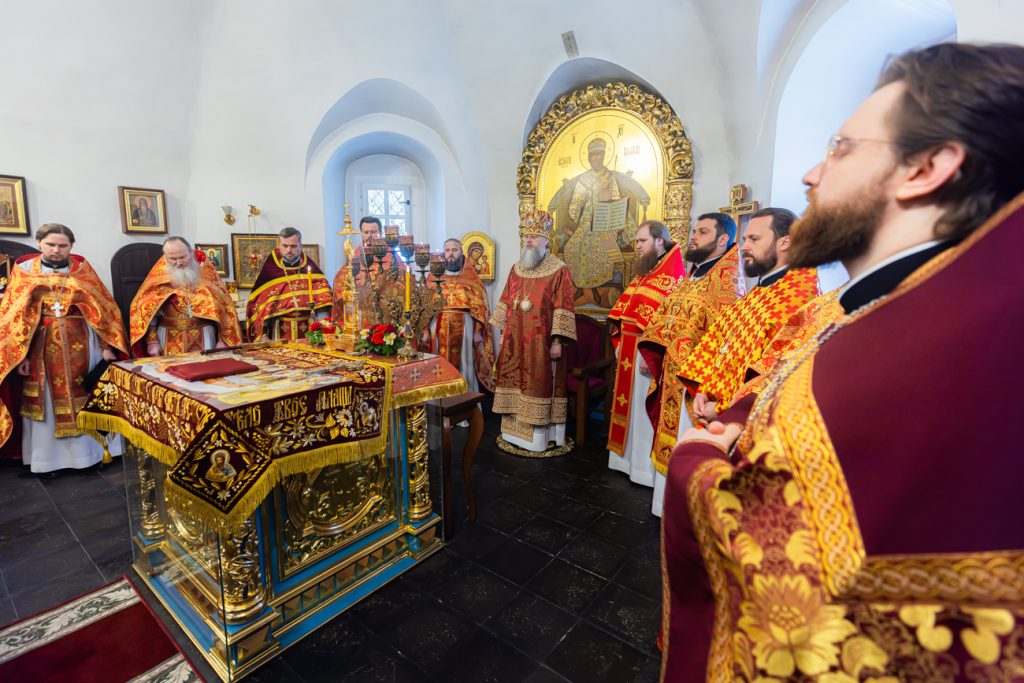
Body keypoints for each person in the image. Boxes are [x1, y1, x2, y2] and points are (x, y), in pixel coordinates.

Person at [661, 43, 1024, 681]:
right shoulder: (880, 310)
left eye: (841, 149)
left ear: (926, 169)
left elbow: (798, 590)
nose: (810, 174)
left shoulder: (947, 348)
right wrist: (741, 418)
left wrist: (695, 458)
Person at [637, 213, 743, 516]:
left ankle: (683, 512)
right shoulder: (693, 278)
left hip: (695, 386)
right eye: (694, 230)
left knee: (687, 445)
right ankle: (663, 505)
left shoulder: (727, 285)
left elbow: (727, 342)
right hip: (671, 374)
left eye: (702, 232)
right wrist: (653, 351)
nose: (693, 236)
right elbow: (665, 316)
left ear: (723, 240)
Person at [0, 224, 127, 475]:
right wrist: (21, 356)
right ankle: (49, 462)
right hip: (40, 347)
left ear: (71, 246)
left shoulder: (82, 271)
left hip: (84, 344)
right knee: (46, 403)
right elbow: (14, 318)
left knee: (87, 395)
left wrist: (106, 346)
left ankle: (92, 455)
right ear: (39, 243)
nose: (56, 250)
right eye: (51, 244)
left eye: (62, 245)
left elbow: (104, 310)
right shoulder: (24, 272)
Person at [678, 208, 820, 422]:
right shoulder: (758, 292)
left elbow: (776, 371)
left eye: (754, 239)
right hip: (711, 409)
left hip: (747, 421)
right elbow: (715, 341)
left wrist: (724, 409)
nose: (744, 247)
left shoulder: (799, 298)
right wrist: (701, 390)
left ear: (785, 242)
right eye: (745, 239)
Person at [605, 220, 685, 485]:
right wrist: (619, 343)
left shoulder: (673, 275)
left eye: (642, 241)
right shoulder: (646, 272)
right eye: (637, 241)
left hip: (645, 353)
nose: (637, 246)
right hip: (629, 349)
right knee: (627, 406)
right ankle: (624, 461)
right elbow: (625, 311)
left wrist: (654, 357)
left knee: (641, 408)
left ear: (659, 241)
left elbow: (670, 323)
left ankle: (640, 469)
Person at [491, 210, 577, 455]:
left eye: (534, 237)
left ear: (546, 241)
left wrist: (557, 341)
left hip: (542, 341)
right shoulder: (517, 268)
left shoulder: (559, 269)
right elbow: (506, 301)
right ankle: (512, 433)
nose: (529, 240)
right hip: (514, 340)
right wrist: (502, 333)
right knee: (512, 379)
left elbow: (563, 306)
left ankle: (540, 438)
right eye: (527, 236)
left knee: (539, 383)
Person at [548, 137, 651, 307]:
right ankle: (582, 287)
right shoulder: (584, 179)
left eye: (599, 154)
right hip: (587, 221)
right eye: (593, 155)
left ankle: (594, 288)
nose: (596, 158)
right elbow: (576, 202)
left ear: (604, 156)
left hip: (607, 220)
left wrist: (614, 206)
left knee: (599, 245)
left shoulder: (610, 177)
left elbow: (616, 196)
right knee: (572, 247)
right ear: (589, 158)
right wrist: (577, 211)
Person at [129, 237, 242, 356]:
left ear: (191, 252)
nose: (179, 263)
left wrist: (222, 340)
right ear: (165, 257)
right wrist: (152, 341)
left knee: (206, 367)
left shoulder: (207, 276)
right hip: (168, 336)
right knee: (171, 368)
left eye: (183, 257)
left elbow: (224, 309)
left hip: (203, 334)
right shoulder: (157, 280)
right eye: (173, 259)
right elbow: (146, 312)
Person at [423, 238, 496, 392]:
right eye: (447, 250)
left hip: (465, 326)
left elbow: (481, 306)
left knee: (464, 363)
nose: (451, 254)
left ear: (461, 253)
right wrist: (424, 330)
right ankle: (439, 401)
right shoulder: (433, 278)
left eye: (454, 250)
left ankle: (466, 401)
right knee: (438, 363)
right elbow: (424, 306)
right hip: (438, 325)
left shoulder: (471, 278)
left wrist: (478, 331)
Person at [246, 227, 332, 341]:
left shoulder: (312, 272)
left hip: (310, 335)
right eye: (285, 246)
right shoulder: (270, 272)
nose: (289, 250)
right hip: (279, 336)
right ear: (279, 246)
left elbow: (323, 304)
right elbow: (261, 308)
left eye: (293, 246)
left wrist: (324, 330)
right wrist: (263, 335)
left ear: (301, 246)